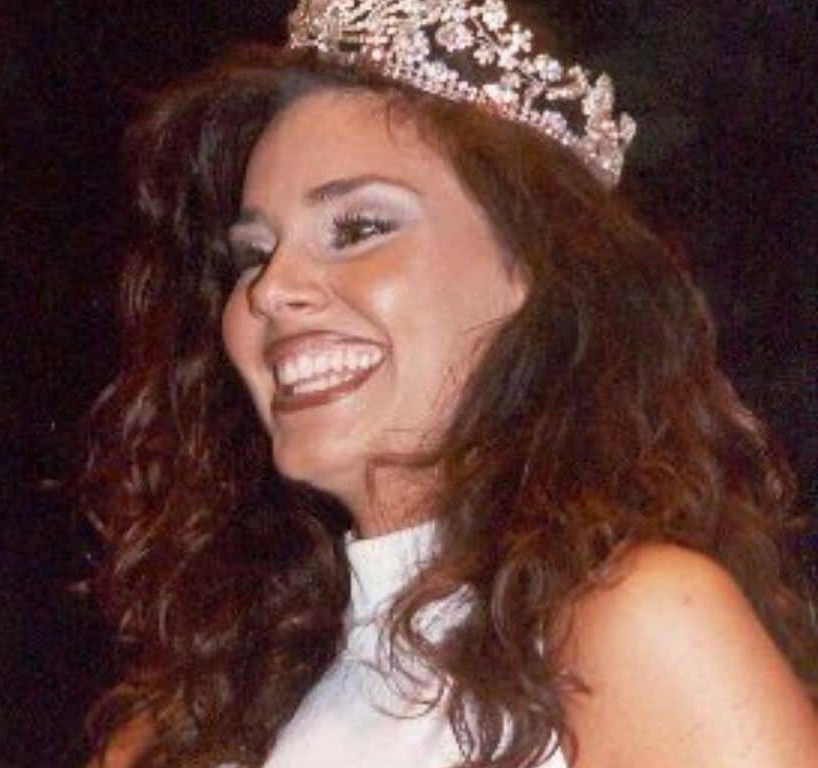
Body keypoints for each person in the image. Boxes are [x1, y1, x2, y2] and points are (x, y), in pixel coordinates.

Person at [78, 2, 818, 766]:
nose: (272, 290)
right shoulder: (179, 728)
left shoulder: (638, 627)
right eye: (253, 256)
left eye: (359, 229)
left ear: (529, 268)